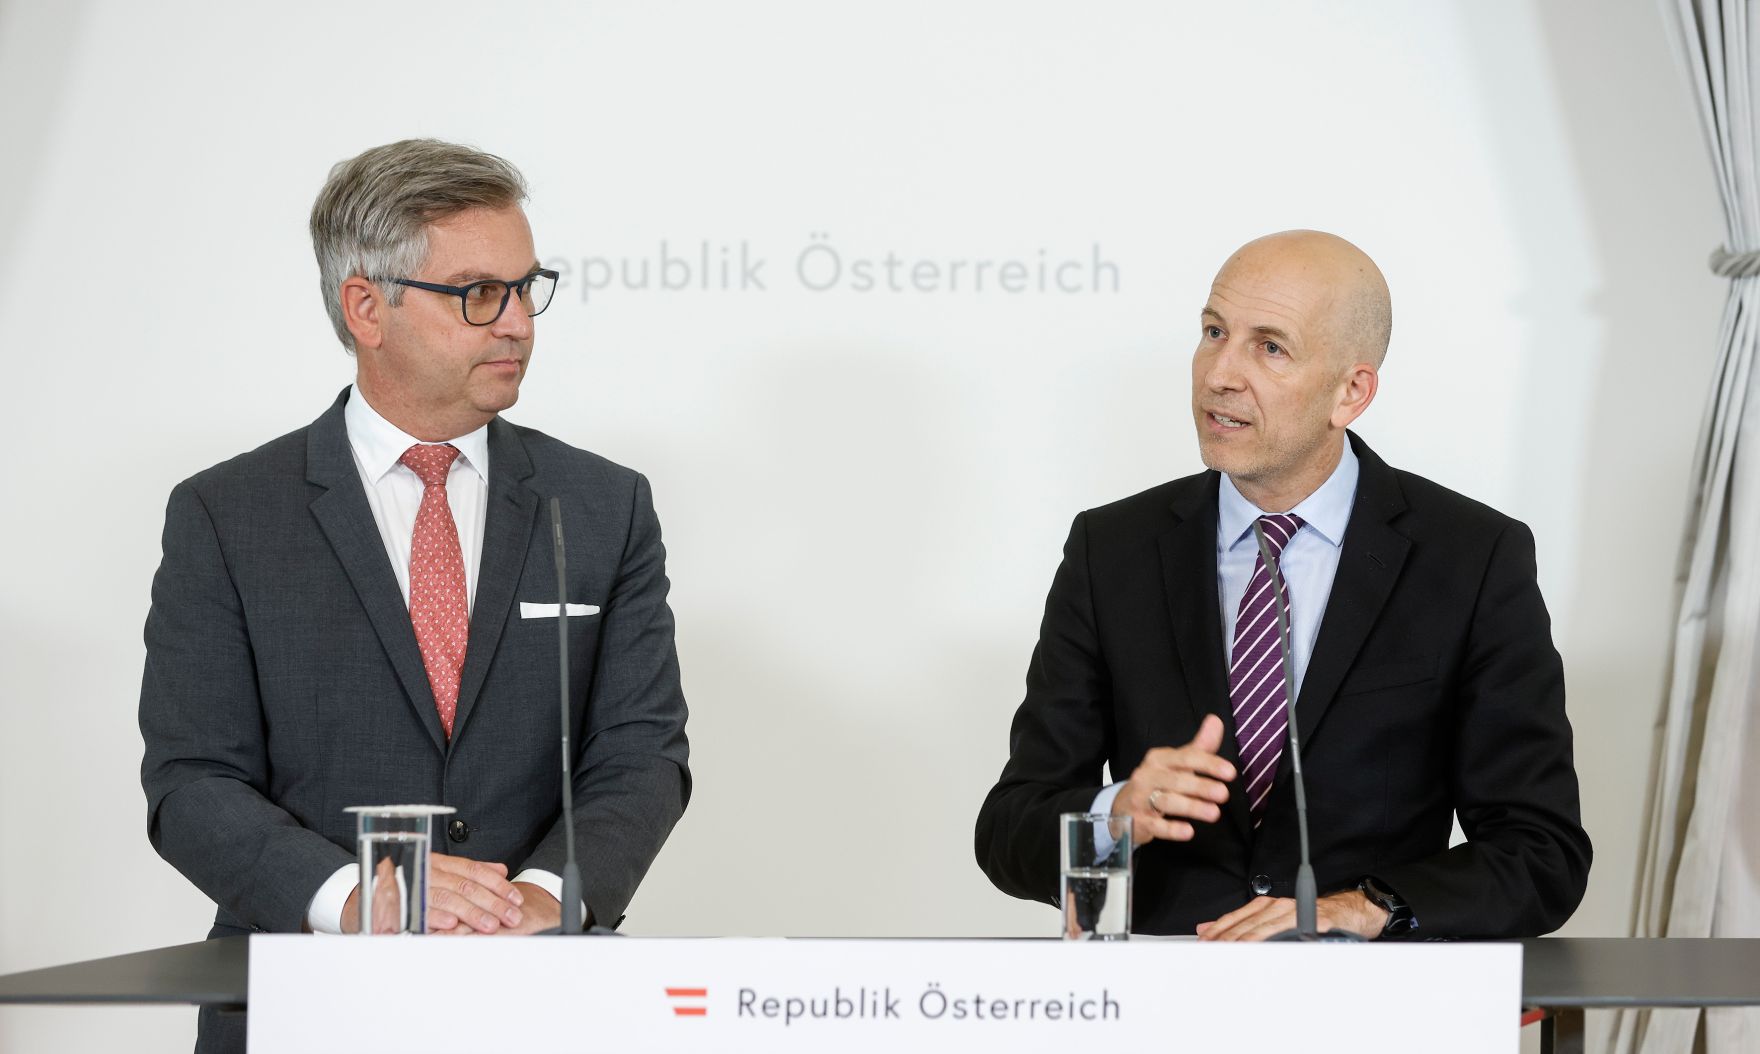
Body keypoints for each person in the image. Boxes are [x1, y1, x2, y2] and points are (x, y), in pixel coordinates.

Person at [139, 139, 690, 1047]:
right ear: (367, 306)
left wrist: (545, 897)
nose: (518, 323)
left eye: (528, 287)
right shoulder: (225, 515)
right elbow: (193, 783)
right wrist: (359, 897)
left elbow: (641, 755)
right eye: (480, 294)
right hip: (301, 1005)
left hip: (543, 1005)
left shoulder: (602, 505)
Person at [974, 230, 1590, 940]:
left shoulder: (1472, 558)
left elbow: (1542, 854)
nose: (1218, 375)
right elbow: (1007, 832)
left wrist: (1362, 908)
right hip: (1163, 1008)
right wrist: (1114, 815)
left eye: (1270, 347)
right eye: (1213, 332)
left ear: (1350, 392)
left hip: (1365, 1016)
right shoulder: (1112, 551)